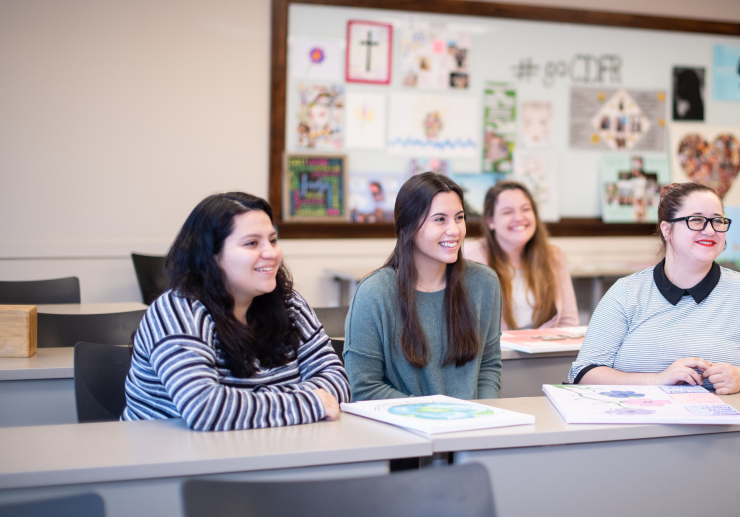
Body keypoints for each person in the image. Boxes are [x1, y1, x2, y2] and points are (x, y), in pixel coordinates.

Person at [122, 192, 349, 430]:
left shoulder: (288, 302)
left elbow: (338, 382)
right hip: (169, 460)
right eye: (252, 243)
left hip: (267, 448)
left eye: (272, 240)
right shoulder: (177, 310)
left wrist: (244, 403)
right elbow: (206, 409)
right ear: (211, 255)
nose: (271, 253)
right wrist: (311, 400)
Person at [569, 182, 740, 394]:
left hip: (728, 433)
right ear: (667, 230)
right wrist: (656, 380)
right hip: (640, 432)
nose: (709, 230)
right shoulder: (626, 293)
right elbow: (584, 372)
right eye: (696, 220)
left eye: (717, 221)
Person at [344, 172, 502, 401]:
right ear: (409, 226)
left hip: (474, 428)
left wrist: (486, 414)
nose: (454, 230)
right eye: (440, 219)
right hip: (404, 430)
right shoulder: (374, 293)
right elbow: (363, 387)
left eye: (459, 217)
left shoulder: (485, 283)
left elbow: (488, 367)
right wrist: (433, 416)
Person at [464, 181, 579, 331]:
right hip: (495, 352)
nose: (519, 218)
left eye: (526, 209)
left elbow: (568, 322)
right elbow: (465, 328)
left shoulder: (553, 257)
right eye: (507, 212)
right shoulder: (470, 258)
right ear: (490, 221)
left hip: (543, 351)